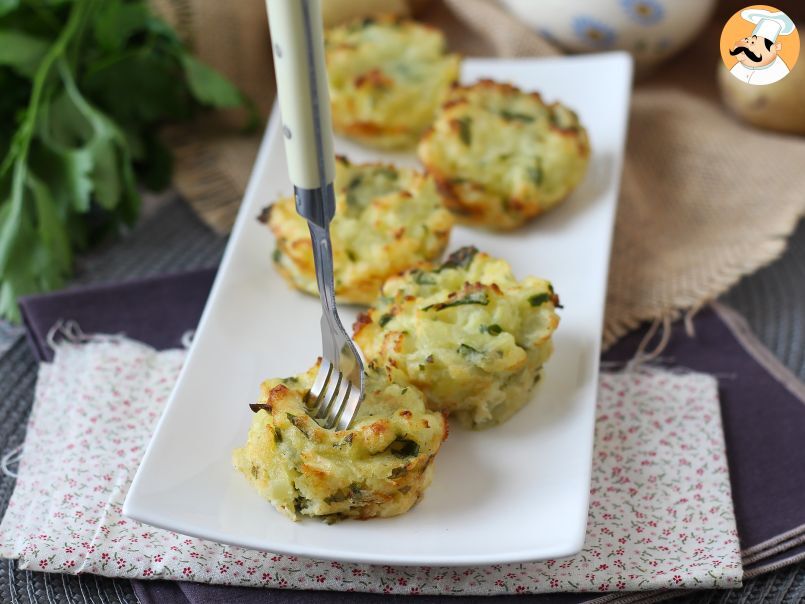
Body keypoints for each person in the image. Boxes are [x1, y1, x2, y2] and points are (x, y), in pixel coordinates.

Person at [729, 9, 796, 86]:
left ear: (775, 48)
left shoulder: (780, 71)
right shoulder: (736, 67)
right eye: (747, 40)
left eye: (753, 43)